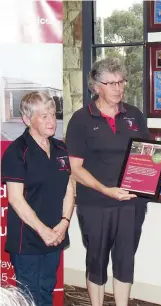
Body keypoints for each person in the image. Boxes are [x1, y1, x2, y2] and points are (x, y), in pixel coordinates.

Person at [66, 57, 151, 306]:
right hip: (96, 204)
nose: (118, 88)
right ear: (96, 86)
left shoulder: (134, 115)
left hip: (131, 204)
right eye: (111, 83)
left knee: (125, 261)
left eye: (121, 82)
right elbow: (75, 168)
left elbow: (147, 154)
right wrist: (106, 190)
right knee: (97, 262)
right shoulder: (81, 119)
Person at [1, 92, 74, 306]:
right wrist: (44, 231)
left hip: (56, 234)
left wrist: (64, 222)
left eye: (53, 114)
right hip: (29, 239)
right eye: (44, 116)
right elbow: (15, 199)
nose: (52, 120)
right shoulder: (17, 151)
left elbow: (69, 187)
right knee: (29, 295)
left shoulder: (61, 148)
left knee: (47, 289)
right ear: (27, 119)